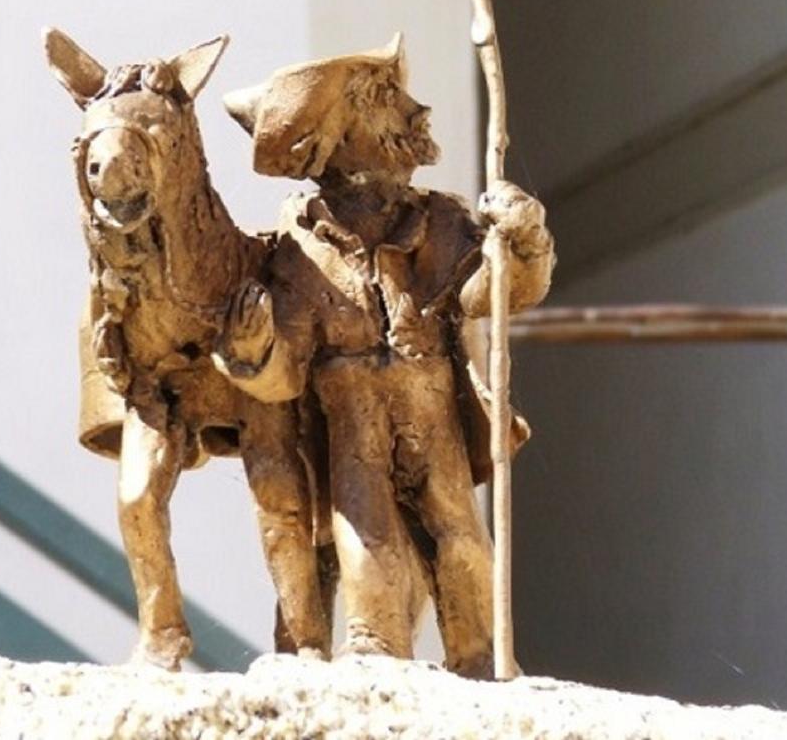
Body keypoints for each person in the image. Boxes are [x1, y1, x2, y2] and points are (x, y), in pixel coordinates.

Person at [213, 35, 554, 679]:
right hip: (352, 416)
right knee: (365, 537)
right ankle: (376, 655)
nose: (416, 112)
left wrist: (523, 244)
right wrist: (254, 352)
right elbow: (286, 371)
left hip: (429, 402)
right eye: (387, 100)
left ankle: (480, 658)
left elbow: (489, 294)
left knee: (458, 535)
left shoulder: (440, 221)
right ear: (339, 135)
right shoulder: (301, 249)